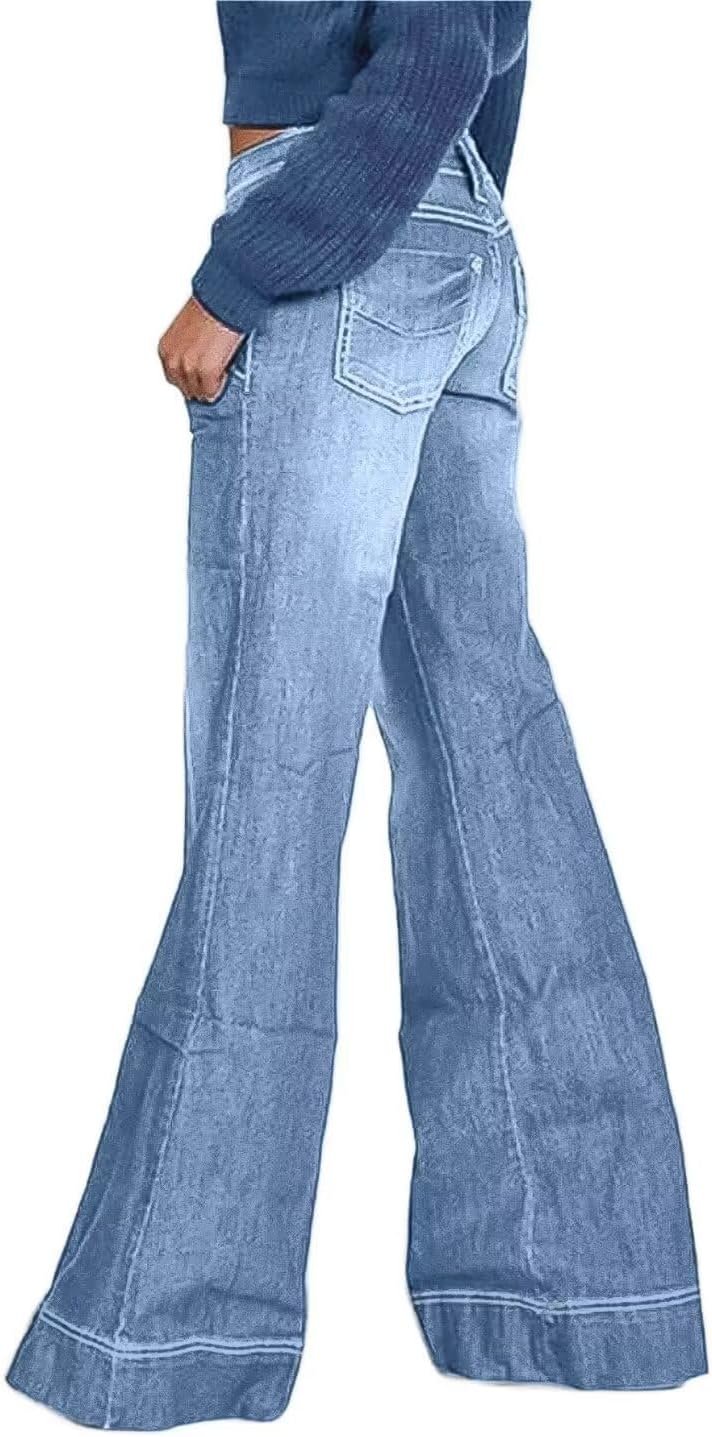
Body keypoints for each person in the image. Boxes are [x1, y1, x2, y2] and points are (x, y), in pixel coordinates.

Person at [7, 3, 706, 1428]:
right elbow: (482, 47)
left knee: (267, 774)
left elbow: (438, 52)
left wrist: (250, 270)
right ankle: (574, 1287)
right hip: (445, 227)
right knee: (490, 762)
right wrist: (442, 225)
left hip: (334, 229)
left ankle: (173, 1329)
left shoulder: (305, 230)